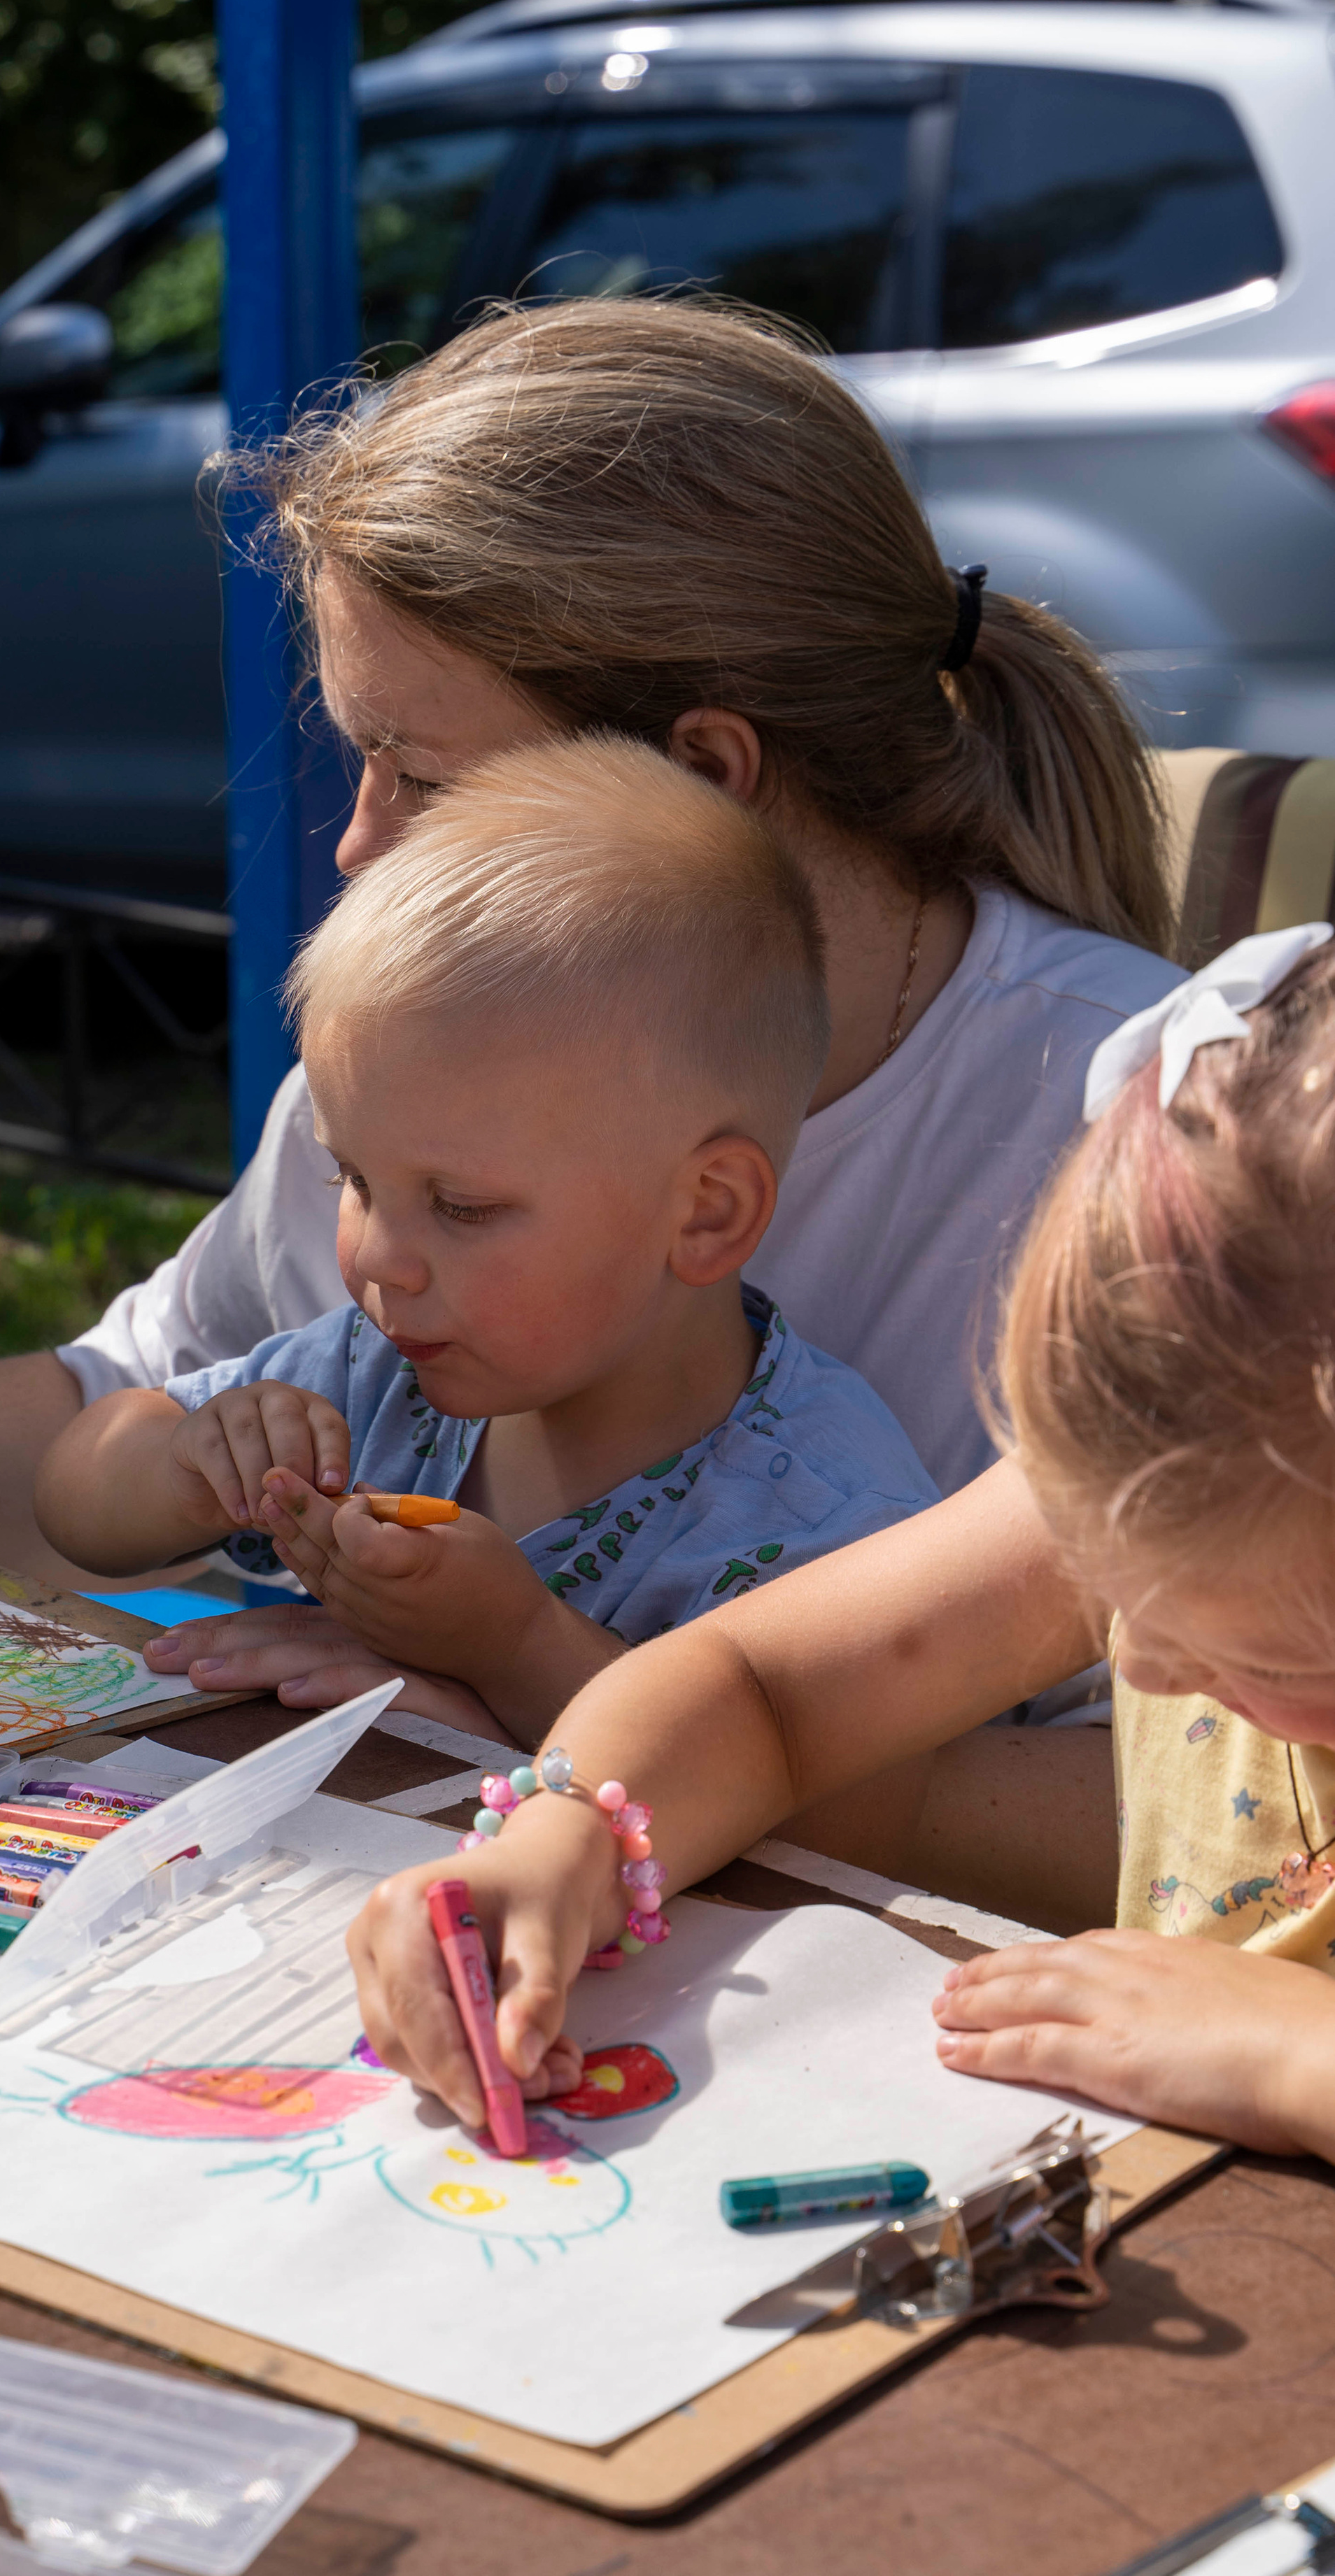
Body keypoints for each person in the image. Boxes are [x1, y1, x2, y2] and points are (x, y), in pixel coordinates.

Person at [0, 297, 1176, 1601]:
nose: (358, 845)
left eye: (423, 777)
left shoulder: (1142, 1147)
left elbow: (1186, 1818)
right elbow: (124, 1415)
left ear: (703, 777)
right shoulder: (443, 1057)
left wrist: (569, 1714)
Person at [344, 929, 1335, 2168]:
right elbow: (761, 1689)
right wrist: (562, 1837)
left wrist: (1301, 2054)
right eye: (1126, 1598)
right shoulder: (1179, 1473)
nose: (1141, 1671)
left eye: (1274, 1651)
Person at [33, 739, 938, 1737]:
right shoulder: (378, 1382)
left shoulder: (824, 1520)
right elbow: (75, 1500)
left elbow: (815, 1793)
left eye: (460, 1207)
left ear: (707, 1212)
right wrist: (188, 1465)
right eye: (356, 1181)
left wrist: (512, 1652)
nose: (379, 1258)